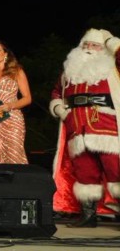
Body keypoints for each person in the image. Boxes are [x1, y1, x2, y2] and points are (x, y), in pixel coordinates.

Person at [49, 28, 120, 228]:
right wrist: (60, 110)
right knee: (85, 172)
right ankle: (89, 216)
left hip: (108, 127)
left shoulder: (113, 66)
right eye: (86, 45)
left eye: (95, 45)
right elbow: (56, 92)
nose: (89, 49)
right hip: (77, 127)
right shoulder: (70, 71)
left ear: (103, 49)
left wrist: (112, 41)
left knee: (116, 170)